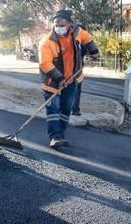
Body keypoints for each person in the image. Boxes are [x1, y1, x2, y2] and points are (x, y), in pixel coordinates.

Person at [38, 10, 99, 148]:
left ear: (69, 24)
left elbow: (88, 39)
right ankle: (54, 137)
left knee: (66, 110)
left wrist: (94, 51)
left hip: (72, 80)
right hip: (52, 82)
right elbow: (45, 64)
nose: (59, 27)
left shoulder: (77, 32)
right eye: (56, 24)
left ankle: (61, 134)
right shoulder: (46, 42)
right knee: (54, 109)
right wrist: (59, 78)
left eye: (62, 24)